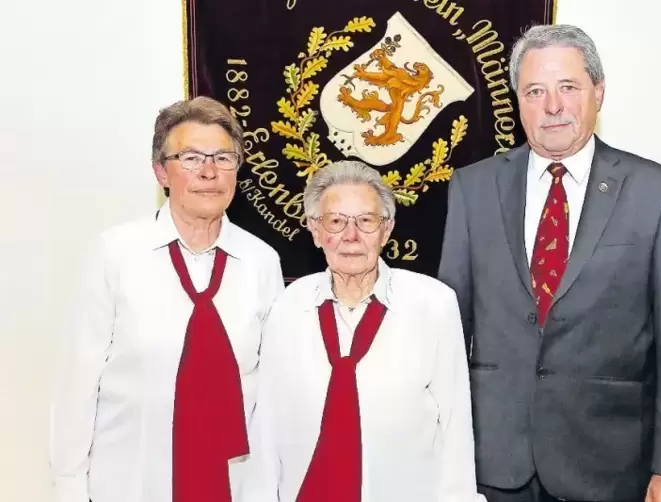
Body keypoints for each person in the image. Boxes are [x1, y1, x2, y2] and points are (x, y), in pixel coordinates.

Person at [438, 24, 661, 502]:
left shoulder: (658, 193)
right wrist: (438, 452)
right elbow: (448, 331)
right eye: (535, 91)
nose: (553, 106)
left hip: (610, 466)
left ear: (598, 93)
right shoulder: (472, 189)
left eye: (568, 87)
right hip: (492, 466)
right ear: (518, 101)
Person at [49, 96, 284, 502]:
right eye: (191, 157)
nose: (209, 172)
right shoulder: (116, 253)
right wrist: (68, 487)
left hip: (233, 486)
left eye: (224, 158)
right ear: (161, 172)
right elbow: (77, 383)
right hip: (130, 482)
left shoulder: (261, 262)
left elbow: (272, 392)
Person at [241, 160, 485, 502]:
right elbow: (266, 424)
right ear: (314, 230)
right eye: (336, 221)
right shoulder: (288, 307)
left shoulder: (433, 304)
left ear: (386, 230)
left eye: (366, 221)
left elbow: (456, 426)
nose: (351, 236)